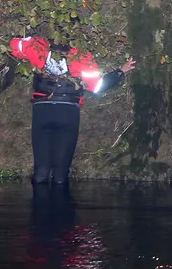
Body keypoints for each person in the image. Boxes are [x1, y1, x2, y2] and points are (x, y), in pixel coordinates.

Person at [9, 35, 135, 184]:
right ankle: (61, 203)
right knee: (61, 174)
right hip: (67, 113)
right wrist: (119, 72)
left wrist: (28, 37)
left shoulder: (38, 47)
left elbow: (13, 46)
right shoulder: (81, 55)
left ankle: (39, 204)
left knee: (41, 171)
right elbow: (97, 86)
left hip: (42, 111)